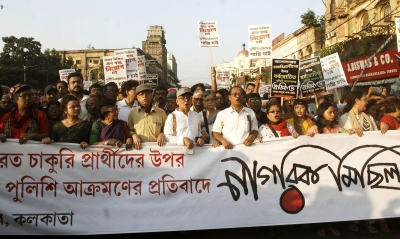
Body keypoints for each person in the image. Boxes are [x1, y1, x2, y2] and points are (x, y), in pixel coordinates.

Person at [128, 84, 167, 150]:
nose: (145, 96)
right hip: (139, 150)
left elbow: (167, 130)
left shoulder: (161, 112)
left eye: (147, 93)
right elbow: (129, 130)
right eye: (141, 94)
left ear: (151, 95)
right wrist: (133, 135)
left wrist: (162, 134)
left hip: (158, 150)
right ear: (137, 97)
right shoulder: (132, 113)